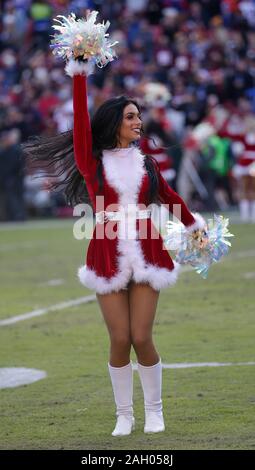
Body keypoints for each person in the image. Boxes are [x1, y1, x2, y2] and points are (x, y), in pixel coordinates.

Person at [22, 57, 206, 437]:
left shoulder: (147, 164)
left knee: (142, 336)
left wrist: (195, 228)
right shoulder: (93, 163)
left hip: (148, 250)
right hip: (106, 252)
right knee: (120, 339)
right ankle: (125, 414)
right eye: (130, 117)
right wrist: (79, 75)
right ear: (114, 124)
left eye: (138, 116)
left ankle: (155, 411)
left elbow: (171, 199)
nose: (138, 122)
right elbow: (79, 130)